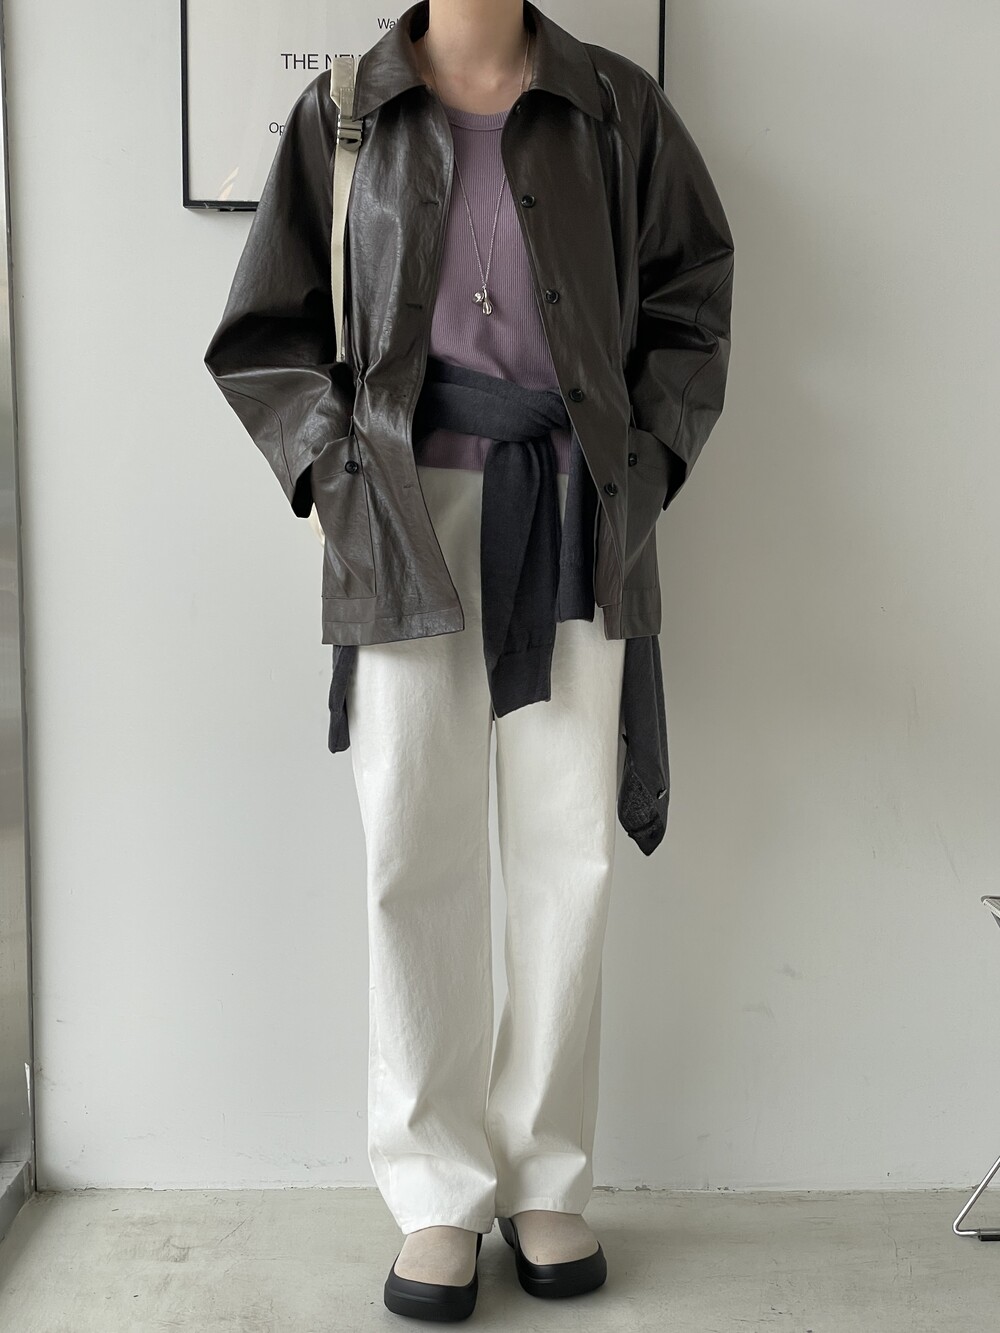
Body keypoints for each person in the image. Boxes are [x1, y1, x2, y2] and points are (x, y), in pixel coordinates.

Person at [204, 0, 734, 1320]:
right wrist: (335, 477)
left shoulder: (617, 108)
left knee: (567, 850)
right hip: (401, 521)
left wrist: (640, 469)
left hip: (573, 510)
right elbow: (264, 337)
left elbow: (694, 300)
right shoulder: (346, 112)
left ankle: (546, 1173)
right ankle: (436, 1190)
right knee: (413, 847)